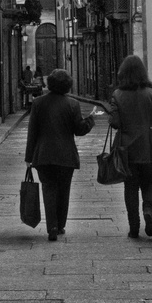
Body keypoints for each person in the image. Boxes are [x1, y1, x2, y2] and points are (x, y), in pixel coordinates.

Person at [106, 55, 152, 239]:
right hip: (148, 147)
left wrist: (114, 112)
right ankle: (148, 210)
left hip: (126, 151)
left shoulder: (117, 95)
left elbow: (114, 123)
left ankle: (133, 227)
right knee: (148, 183)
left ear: (123, 73)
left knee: (130, 187)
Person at [23, 68, 96, 241]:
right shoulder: (72, 104)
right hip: (65, 156)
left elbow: (32, 132)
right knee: (64, 191)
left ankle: (52, 227)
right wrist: (91, 119)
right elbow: (79, 130)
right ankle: (61, 224)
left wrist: (29, 157)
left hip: (43, 155)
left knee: (48, 190)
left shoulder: (39, 103)